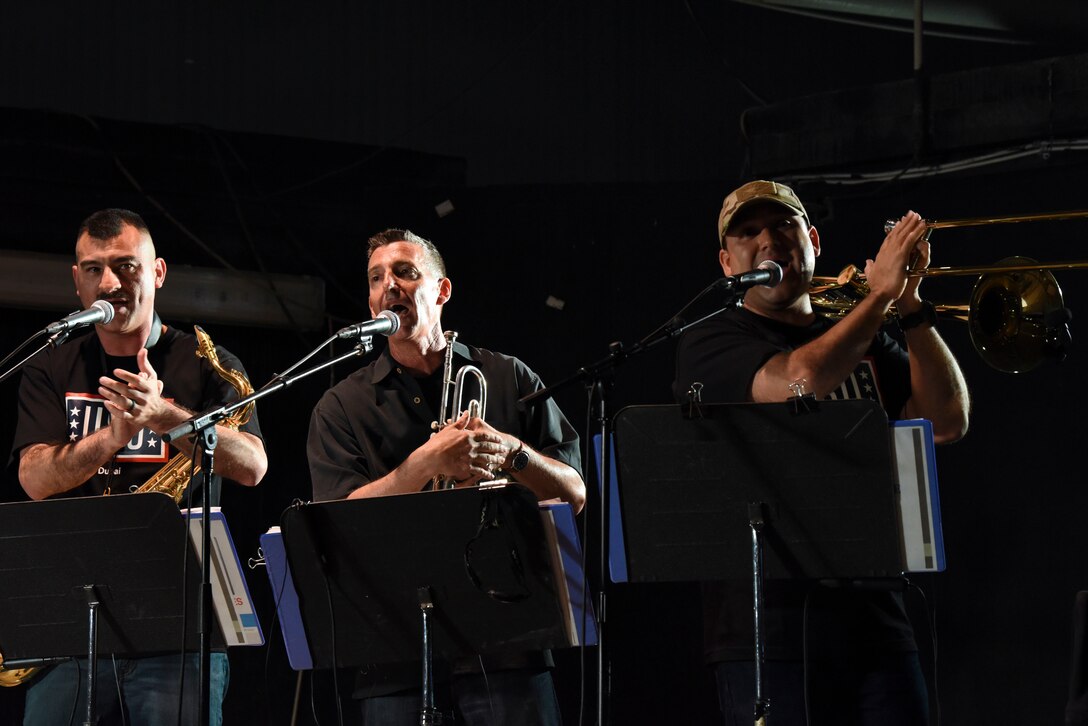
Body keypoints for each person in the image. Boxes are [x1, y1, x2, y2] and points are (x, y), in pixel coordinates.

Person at [673, 180, 970, 726]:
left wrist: (911, 307)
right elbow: (798, 382)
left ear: (812, 239)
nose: (768, 240)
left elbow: (946, 422)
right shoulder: (711, 339)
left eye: (783, 226)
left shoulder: (861, 334)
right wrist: (880, 296)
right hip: (767, 630)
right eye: (748, 232)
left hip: (877, 616)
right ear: (726, 262)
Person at [307, 228, 585, 725]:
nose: (388, 286)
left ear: (442, 291)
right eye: (376, 279)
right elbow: (338, 521)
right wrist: (426, 464)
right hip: (393, 648)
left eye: (405, 273)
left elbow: (575, 493)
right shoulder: (340, 406)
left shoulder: (507, 376)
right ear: (371, 304)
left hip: (507, 641)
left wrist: (510, 452)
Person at [10, 208, 268, 726]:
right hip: (73, 619)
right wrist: (114, 438)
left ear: (158, 272)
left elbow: (254, 466)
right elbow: (34, 478)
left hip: (181, 626)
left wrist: (165, 416)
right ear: (77, 281)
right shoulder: (49, 365)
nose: (110, 282)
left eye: (127, 265)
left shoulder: (208, 362)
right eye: (93, 268)